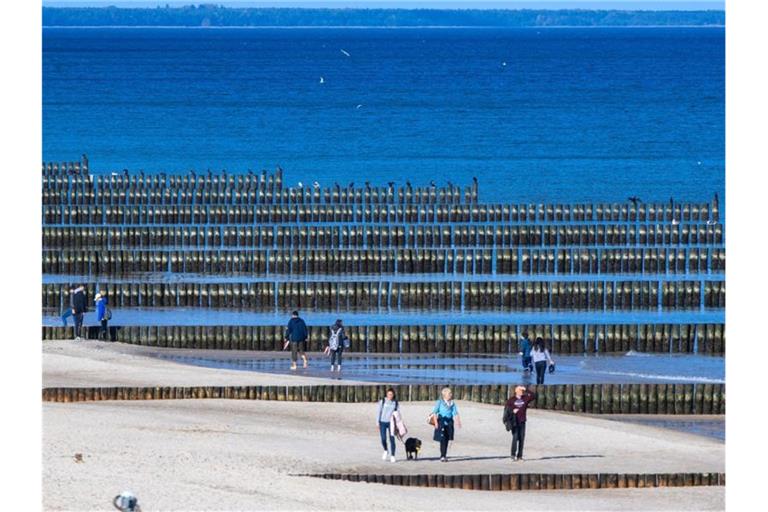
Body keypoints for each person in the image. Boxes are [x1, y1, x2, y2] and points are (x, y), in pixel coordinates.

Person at [503, 385, 537, 461]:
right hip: (514, 422)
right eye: (520, 390)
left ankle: (519, 456)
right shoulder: (511, 400)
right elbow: (506, 411)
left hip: (522, 421)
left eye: (522, 390)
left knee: (521, 439)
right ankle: (512, 455)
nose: (521, 392)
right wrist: (512, 411)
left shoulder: (525, 398)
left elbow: (534, 396)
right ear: (516, 391)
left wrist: (526, 389)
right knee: (515, 438)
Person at [430, 387, 462, 462]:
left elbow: (455, 413)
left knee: (447, 439)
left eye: (451, 393)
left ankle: (444, 454)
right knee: (443, 439)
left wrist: (458, 422)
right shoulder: (440, 402)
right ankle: (442, 456)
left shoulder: (452, 403)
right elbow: (435, 412)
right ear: (444, 395)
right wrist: (436, 422)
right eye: (449, 393)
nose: (451, 394)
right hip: (441, 422)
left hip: (450, 422)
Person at [376, 388, 399, 463]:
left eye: (391, 394)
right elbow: (378, 412)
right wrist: (377, 422)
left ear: (393, 395)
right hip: (382, 422)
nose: (390, 396)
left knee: (392, 439)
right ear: (386, 394)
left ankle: (393, 455)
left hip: (391, 423)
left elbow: (397, 414)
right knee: (383, 439)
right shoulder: (382, 401)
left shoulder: (395, 402)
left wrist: (397, 425)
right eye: (389, 394)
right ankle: (386, 450)